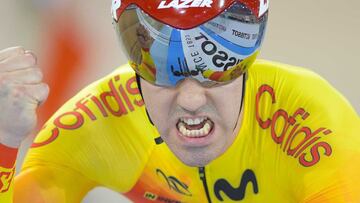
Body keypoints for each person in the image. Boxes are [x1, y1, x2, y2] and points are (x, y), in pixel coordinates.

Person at [1, 0, 360, 202]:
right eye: (159, 65)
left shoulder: (312, 122)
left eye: (217, 65)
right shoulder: (100, 123)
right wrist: (3, 141)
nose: (189, 98)